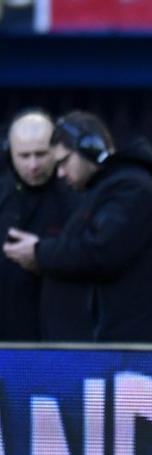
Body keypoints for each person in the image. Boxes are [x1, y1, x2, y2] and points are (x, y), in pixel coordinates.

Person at [4, 111, 152, 343]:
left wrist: (39, 252)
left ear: (91, 149)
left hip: (120, 352)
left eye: (63, 162)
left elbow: (100, 251)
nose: (59, 172)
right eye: (24, 156)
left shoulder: (132, 190)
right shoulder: (110, 189)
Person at [0, 109, 78, 341]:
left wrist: (44, 256)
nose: (33, 165)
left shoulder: (77, 197)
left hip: (59, 337)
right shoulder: (3, 197)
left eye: (40, 154)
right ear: (9, 153)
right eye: (24, 156)